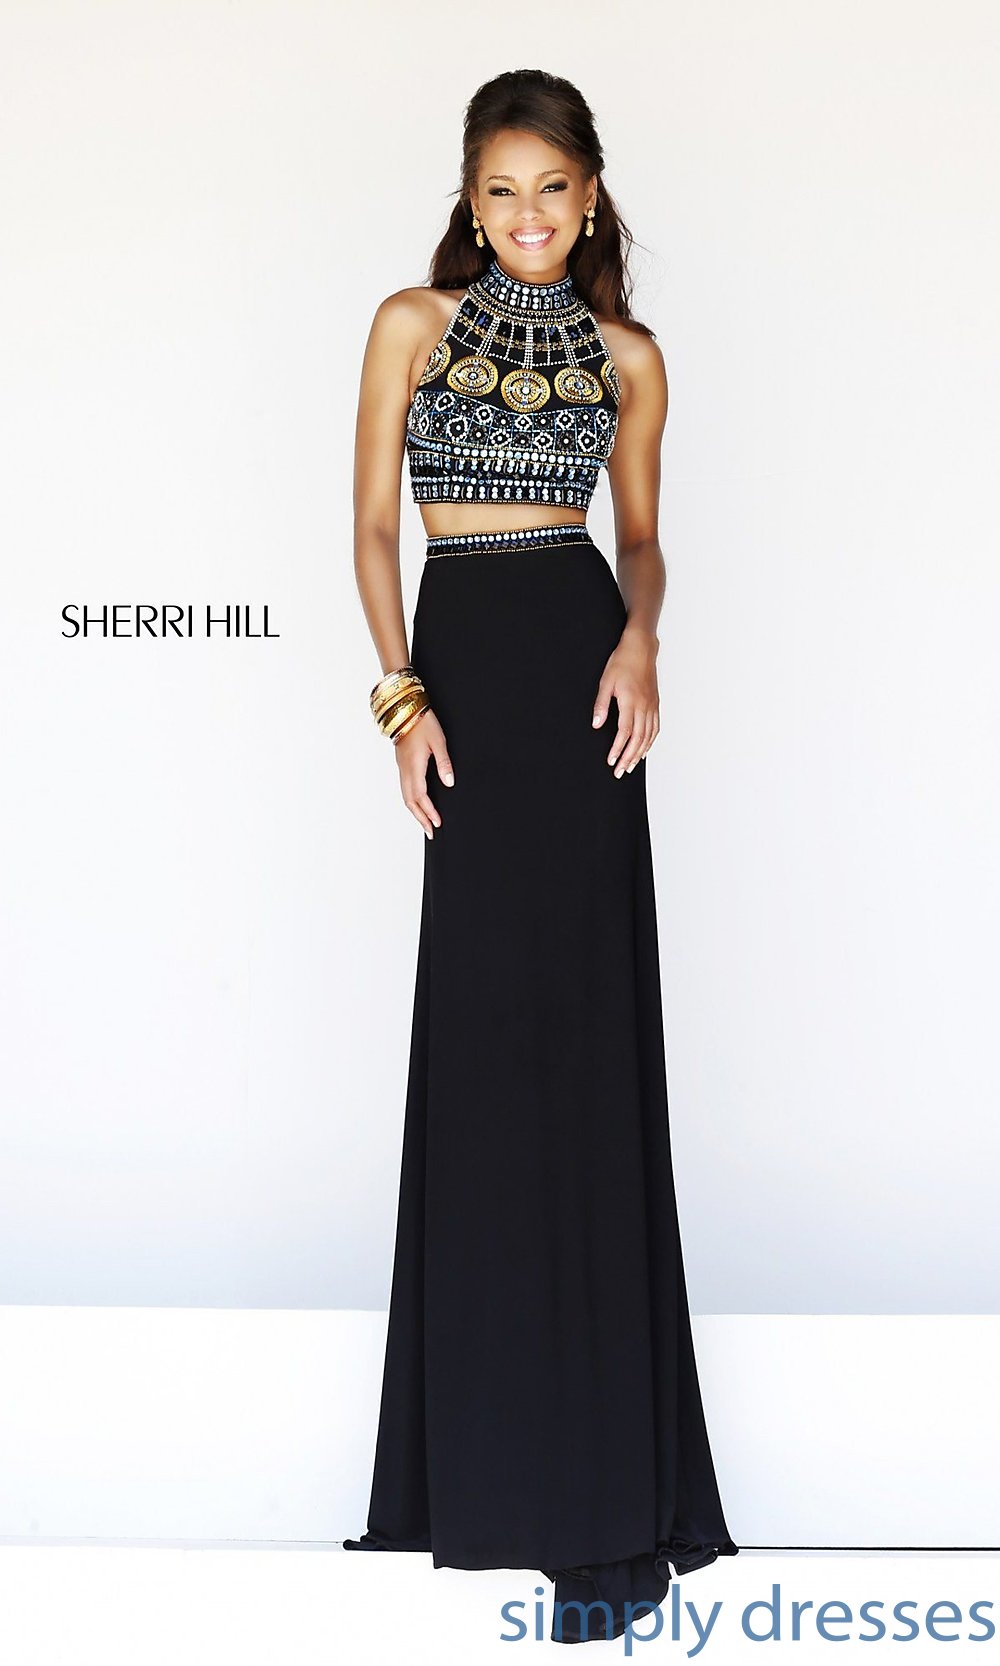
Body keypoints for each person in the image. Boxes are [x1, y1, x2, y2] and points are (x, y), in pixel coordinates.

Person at [344, 68, 739, 1645]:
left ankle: (602, 1512)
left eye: (552, 190)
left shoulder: (628, 356)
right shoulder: (408, 325)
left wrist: (642, 640)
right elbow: (373, 530)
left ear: (590, 197)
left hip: (580, 683)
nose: (528, 216)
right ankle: (487, 1469)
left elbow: (639, 539)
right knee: (485, 1044)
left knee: (586, 1049)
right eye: (501, 191)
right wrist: (401, 700)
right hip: (466, 682)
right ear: (470, 197)